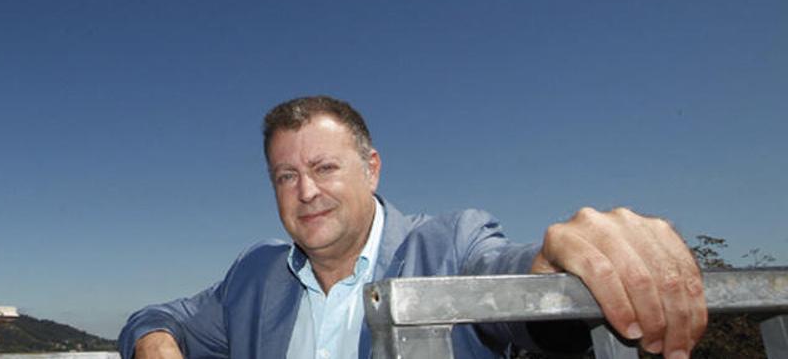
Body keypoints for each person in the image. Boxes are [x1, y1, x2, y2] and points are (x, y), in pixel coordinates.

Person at [119, 96, 707, 358]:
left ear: (371, 169)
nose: (307, 192)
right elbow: (156, 317)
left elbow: (509, 282)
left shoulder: (449, 244)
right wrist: (157, 343)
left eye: (325, 168)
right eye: (285, 175)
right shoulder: (254, 272)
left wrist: (563, 268)